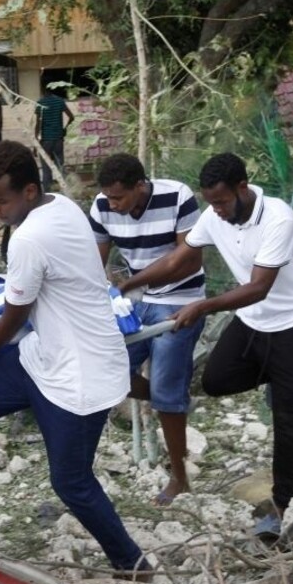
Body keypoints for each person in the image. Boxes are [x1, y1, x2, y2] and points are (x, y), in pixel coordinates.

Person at [0, 140, 150, 577]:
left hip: (80, 374)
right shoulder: (59, 206)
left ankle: (134, 564)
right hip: (42, 356)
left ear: (29, 191)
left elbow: (14, 314)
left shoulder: (30, 236)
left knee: (72, 482)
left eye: (1, 201)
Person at [121, 152, 293, 538]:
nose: (215, 210)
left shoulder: (277, 218)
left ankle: (283, 505)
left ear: (242, 188)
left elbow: (258, 287)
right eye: (210, 202)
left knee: (289, 421)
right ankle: (284, 381)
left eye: (221, 201)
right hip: (253, 322)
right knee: (216, 380)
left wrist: (201, 306)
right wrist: (127, 284)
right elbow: (179, 258)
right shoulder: (214, 215)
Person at [89, 153, 205, 506]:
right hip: (135, 302)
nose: (113, 204)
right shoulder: (101, 206)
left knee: (168, 392)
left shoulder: (177, 196)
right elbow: (96, 262)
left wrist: (128, 284)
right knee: (106, 368)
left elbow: (189, 259)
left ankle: (179, 478)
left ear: (140, 187)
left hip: (181, 300)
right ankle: (169, 397)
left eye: (119, 197)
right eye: (109, 197)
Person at [35, 85, 74, 187]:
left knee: (46, 168)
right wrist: (64, 129)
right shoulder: (59, 101)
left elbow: (38, 125)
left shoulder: (40, 103)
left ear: (42, 89)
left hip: (46, 141)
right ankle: (64, 191)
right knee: (60, 167)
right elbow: (71, 117)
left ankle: (48, 192)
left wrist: (36, 143)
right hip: (58, 140)